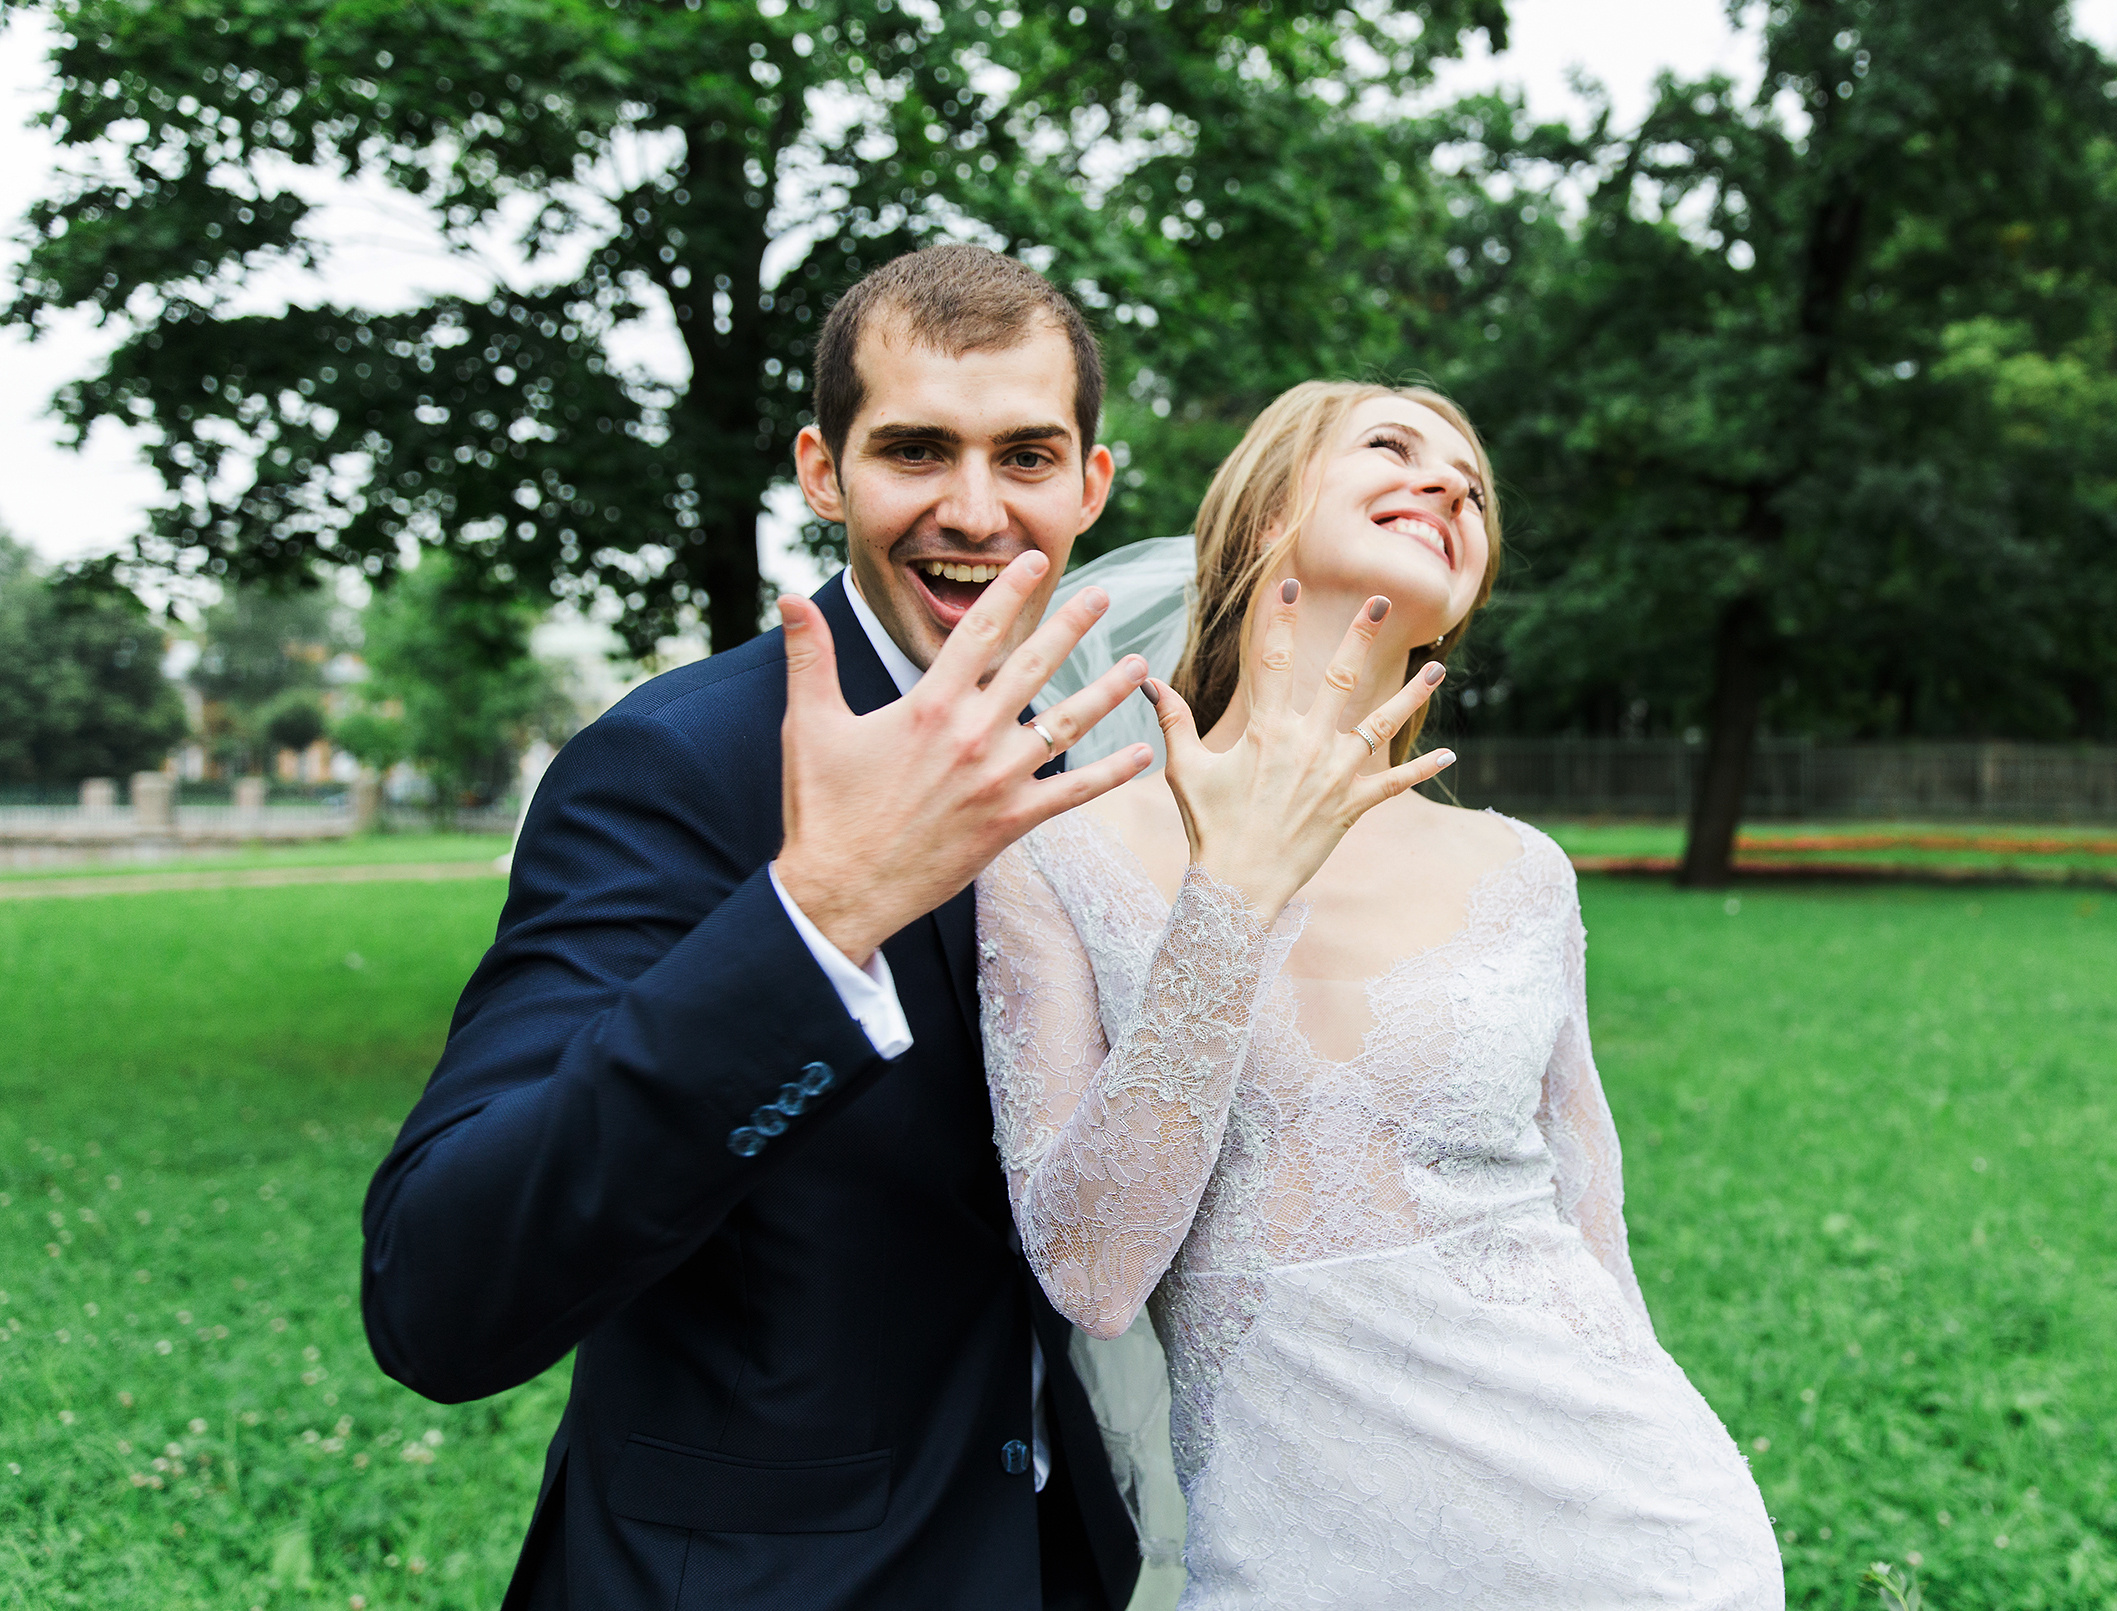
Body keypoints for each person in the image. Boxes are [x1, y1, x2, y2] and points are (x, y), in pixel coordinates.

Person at [360, 245, 1159, 1610]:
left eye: (1026, 454)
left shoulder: (1094, 763)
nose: (975, 509)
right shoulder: (669, 762)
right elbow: (441, 1286)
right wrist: (819, 917)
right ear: (823, 469)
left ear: (1088, 481)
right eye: (915, 449)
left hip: (1053, 1559)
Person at [977, 381, 1786, 1606]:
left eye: (1472, 482)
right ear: (1262, 521)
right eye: (1393, 449)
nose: (1453, 485)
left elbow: (1595, 1243)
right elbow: (1092, 1272)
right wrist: (1230, 902)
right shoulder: (1056, 848)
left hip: (1637, 1537)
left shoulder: (1521, 874)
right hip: (1302, 1561)